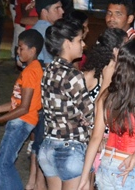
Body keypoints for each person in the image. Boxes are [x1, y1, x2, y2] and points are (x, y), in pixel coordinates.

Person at [78, 40, 135, 190]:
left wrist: (84, 177)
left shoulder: (107, 96)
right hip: (132, 166)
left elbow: (95, 138)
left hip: (107, 164)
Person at [0, 28, 44, 190]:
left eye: (21, 48)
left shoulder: (31, 72)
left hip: (22, 121)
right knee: (3, 164)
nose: (18, 51)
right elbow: (15, 104)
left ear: (32, 50)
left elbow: (24, 108)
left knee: (2, 165)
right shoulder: (32, 69)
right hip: (21, 120)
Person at [38, 18, 94, 190]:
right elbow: (90, 115)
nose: (83, 44)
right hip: (70, 149)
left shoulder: (48, 71)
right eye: (79, 40)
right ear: (68, 43)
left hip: (48, 147)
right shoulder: (72, 75)